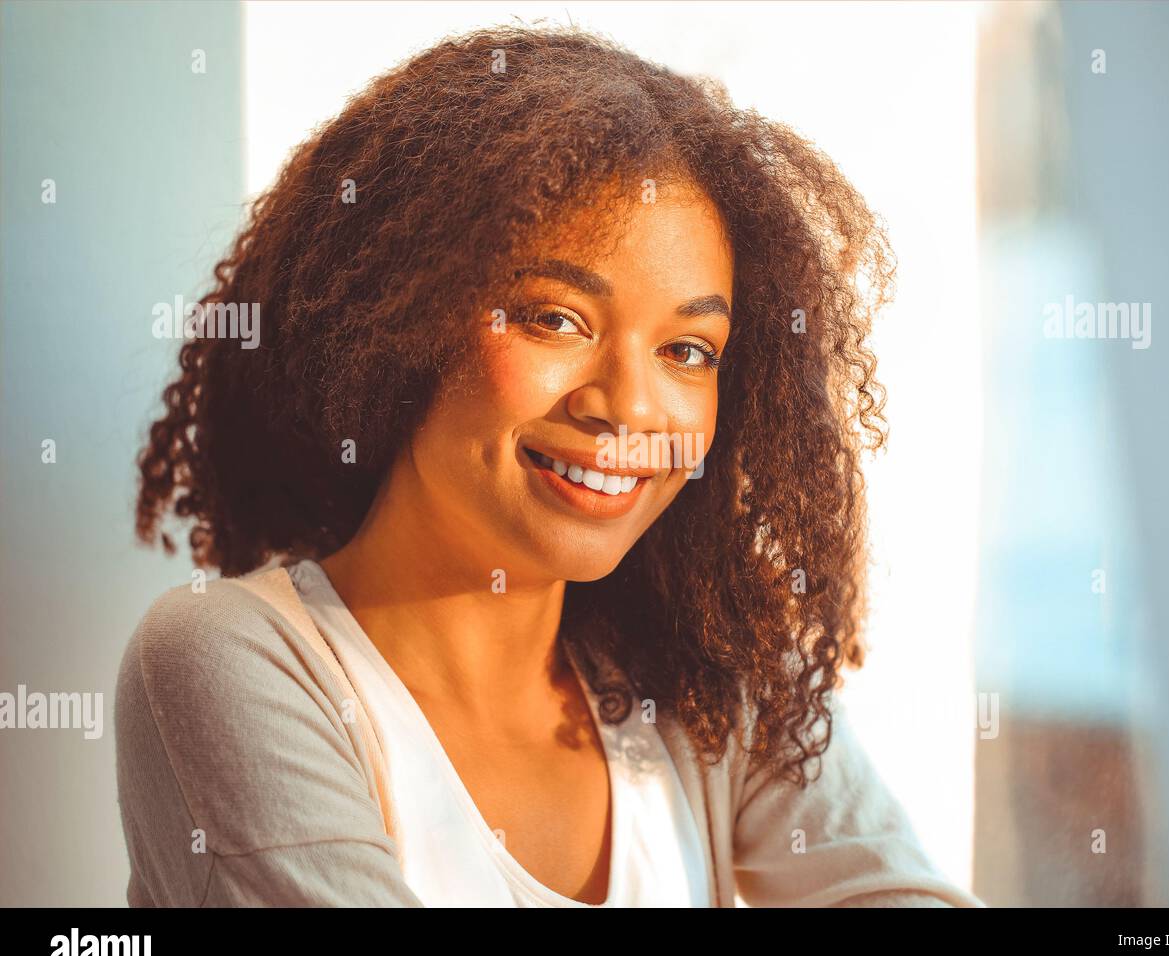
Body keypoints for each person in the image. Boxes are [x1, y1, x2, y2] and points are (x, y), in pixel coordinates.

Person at [114, 24, 985, 908]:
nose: (632, 406)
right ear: (405, 326)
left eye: (688, 349)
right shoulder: (229, 659)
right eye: (555, 319)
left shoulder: (706, 677)